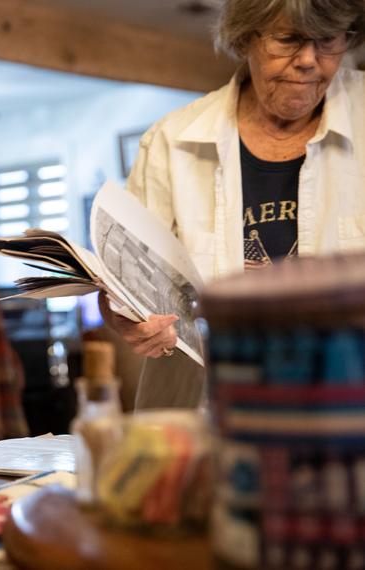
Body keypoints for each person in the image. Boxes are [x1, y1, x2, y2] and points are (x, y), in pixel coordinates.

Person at [100, 0, 365, 407]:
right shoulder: (173, 142)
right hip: (205, 418)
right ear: (246, 38)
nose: (309, 60)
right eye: (289, 39)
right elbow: (122, 287)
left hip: (344, 419)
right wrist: (126, 316)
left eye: (327, 40)